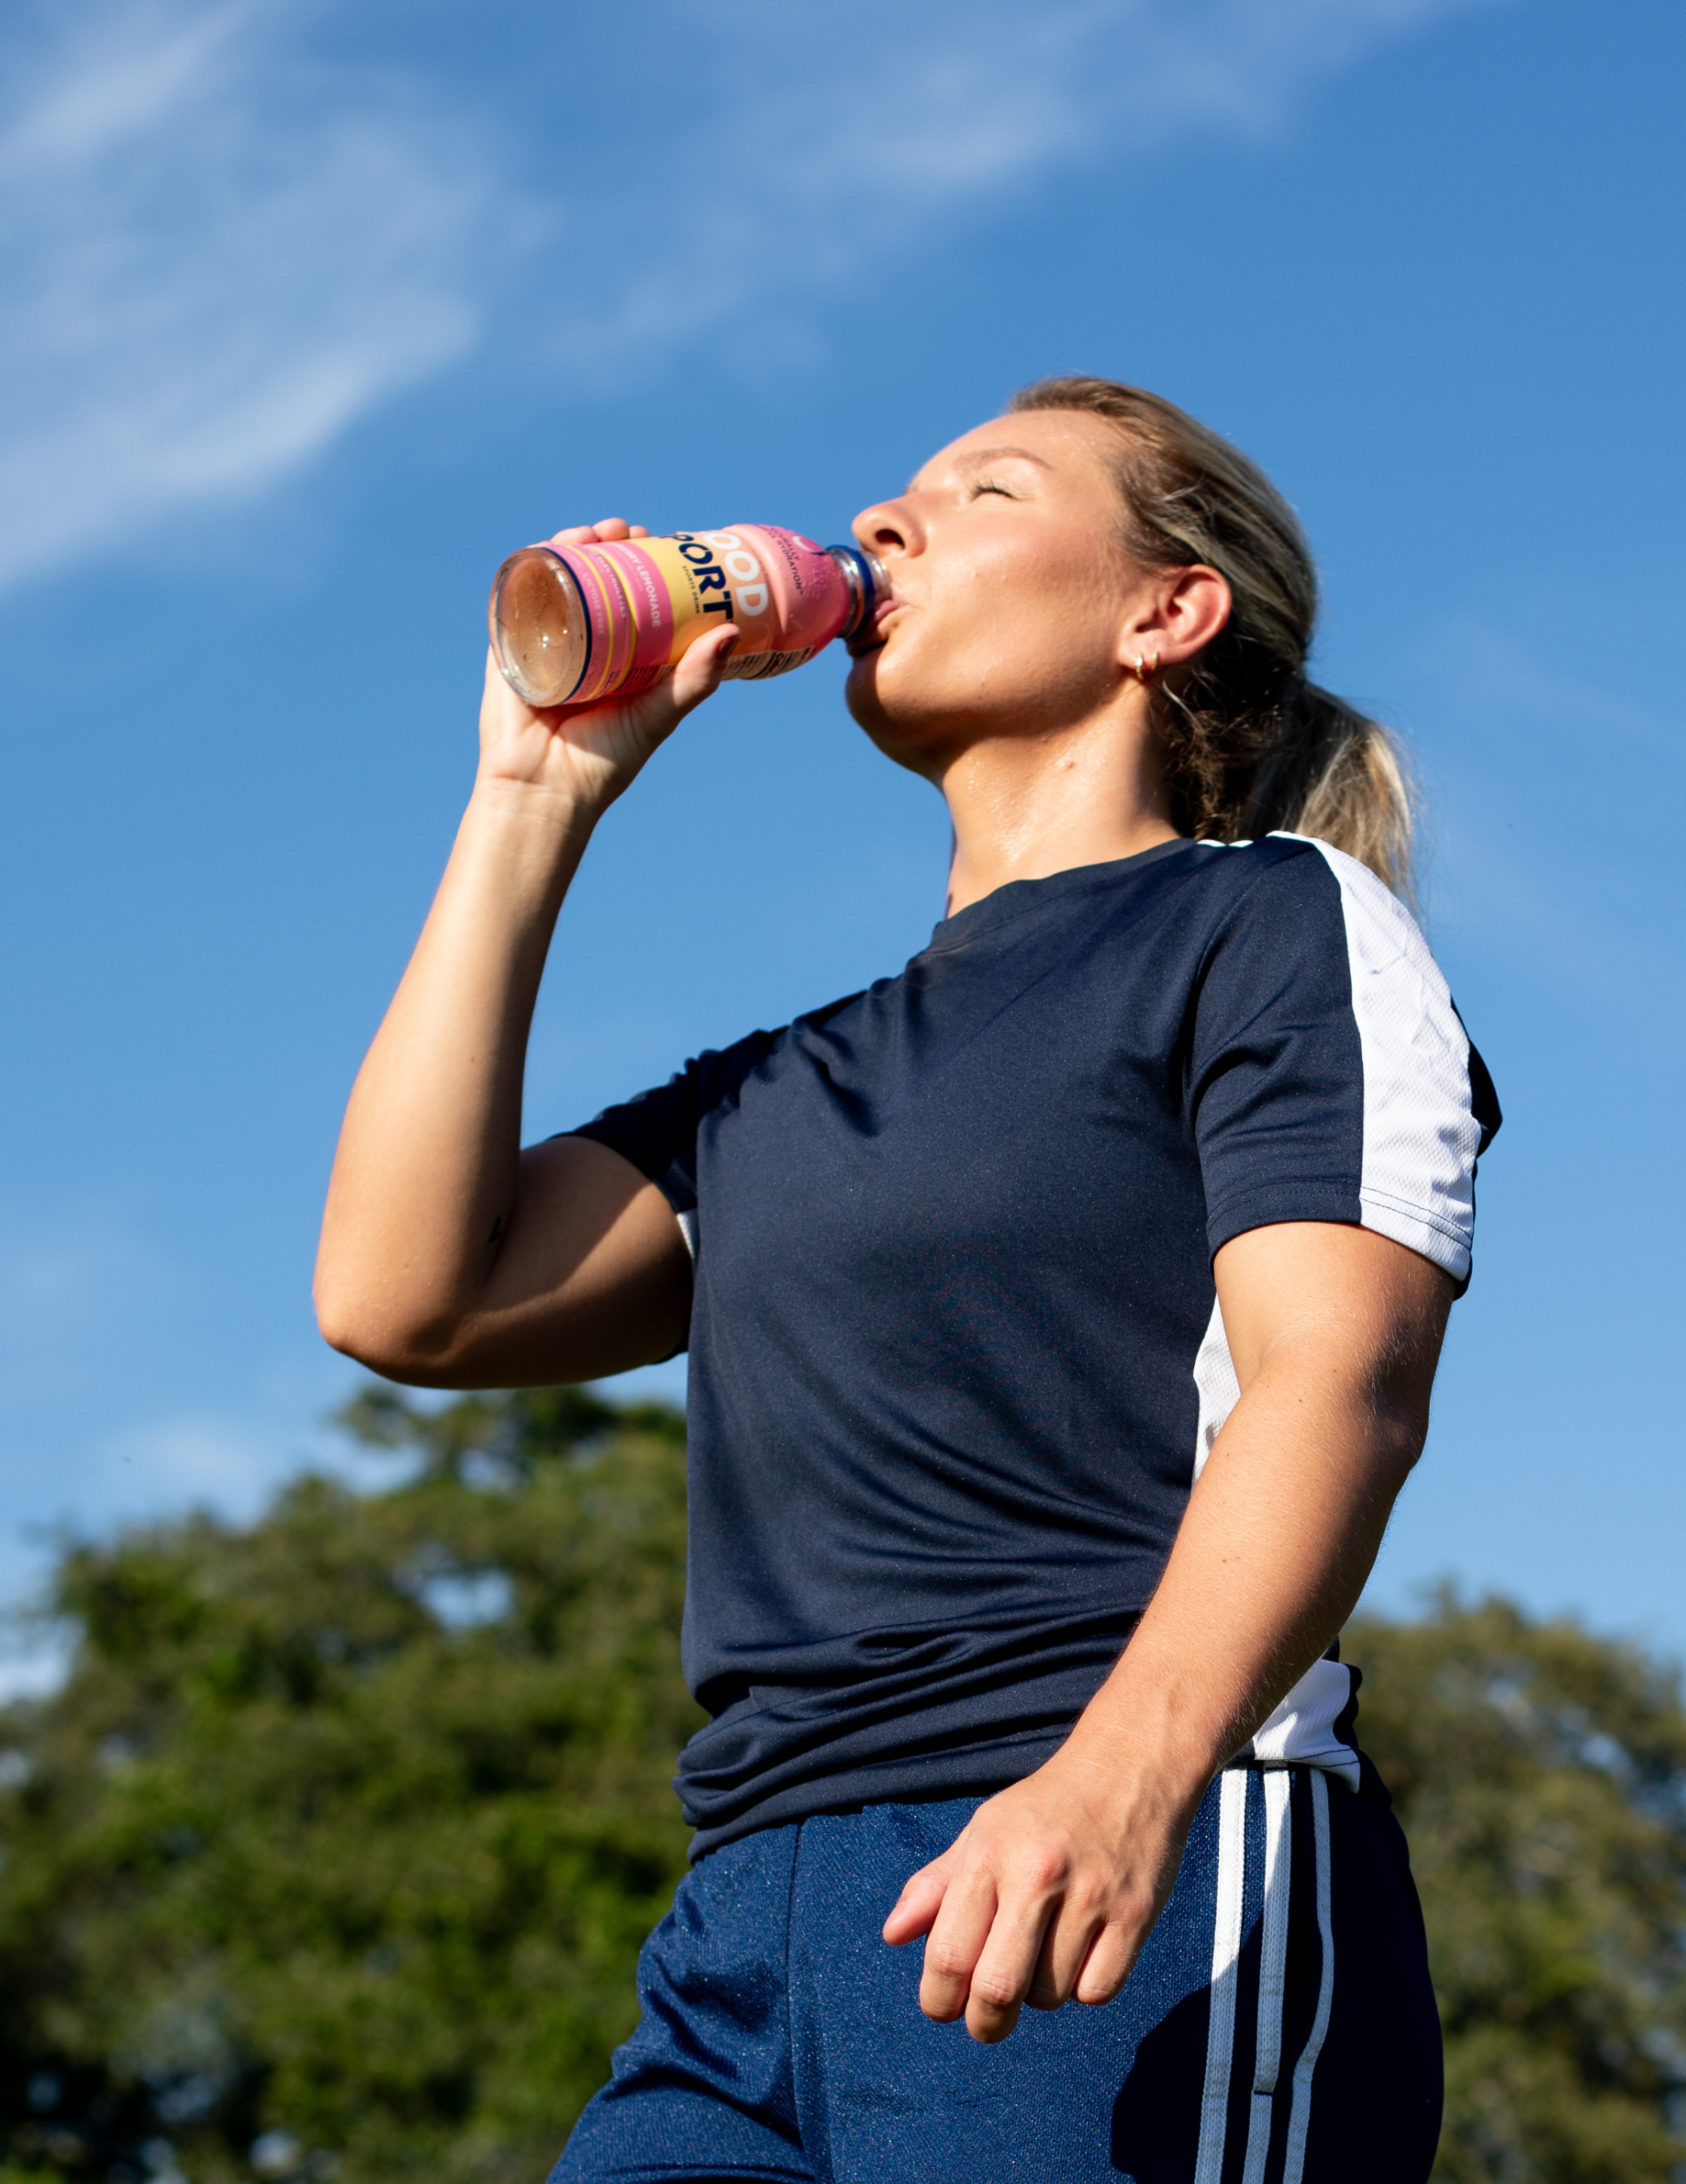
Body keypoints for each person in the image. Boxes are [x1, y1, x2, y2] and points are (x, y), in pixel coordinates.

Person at [316, 375, 1500, 2184]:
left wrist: (1123, 1779)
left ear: (1162, 615)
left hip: (1120, 1877)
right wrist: (533, 792)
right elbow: (409, 1297)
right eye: (901, 492)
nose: (886, 521)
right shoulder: (789, 1081)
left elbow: (1338, 1380)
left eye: (986, 489)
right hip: (743, 1942)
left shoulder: (1269, 922)